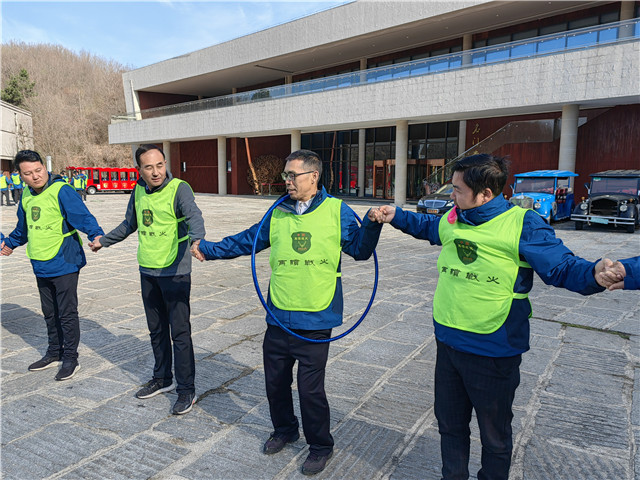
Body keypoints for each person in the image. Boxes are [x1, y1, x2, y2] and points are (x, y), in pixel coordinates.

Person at [370, 154, 613, 480]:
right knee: (450, 426)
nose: (451, 195)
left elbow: (561, 267)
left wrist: (594, 274)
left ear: (485, 193)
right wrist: (396, 215)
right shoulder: (456, 217)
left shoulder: (522, 224)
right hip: (449, 344)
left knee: (494, 436)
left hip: (494, 349)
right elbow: (430, 227)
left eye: (457, 189)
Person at [192, 149, 382, 475]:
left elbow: (360, 250)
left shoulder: (337, 210)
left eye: (293, 175)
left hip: (316, 316)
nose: (287, 181)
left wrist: (372, 225)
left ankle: (321, 445)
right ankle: (285, 429)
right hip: (279, 314)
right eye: (286, 175)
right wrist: (209, 249)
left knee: (310, 391)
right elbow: (248, 240)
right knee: (275, 383)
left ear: (314, 177)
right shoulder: (277, 212)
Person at [89, 144, 205, 415]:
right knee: (155, 330)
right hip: (148, 270)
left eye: (160, 165)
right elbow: (130, 223)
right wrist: (103, 241)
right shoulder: (138, 190)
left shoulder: (179, 188)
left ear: (165, 164)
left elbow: (194, 216)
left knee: (180, 333)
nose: (156, 172)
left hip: (175, 272)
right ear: (139, 169)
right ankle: (163, 378)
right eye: (149, 167)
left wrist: (197, 239)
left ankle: (186, 390)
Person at [1, 150, 104, 380]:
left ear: (44, 168)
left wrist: (96, 235)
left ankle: (70, 358)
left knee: (67, 313)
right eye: (28, 173)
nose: (36, 176)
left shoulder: (62, 190)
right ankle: (54, 352)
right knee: (50, 313)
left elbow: (83, 217)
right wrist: (9, 243)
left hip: (65, 261)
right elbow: (23, 229)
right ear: (20, 175)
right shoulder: (26, 196)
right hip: (40, 262)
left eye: (39, 170)